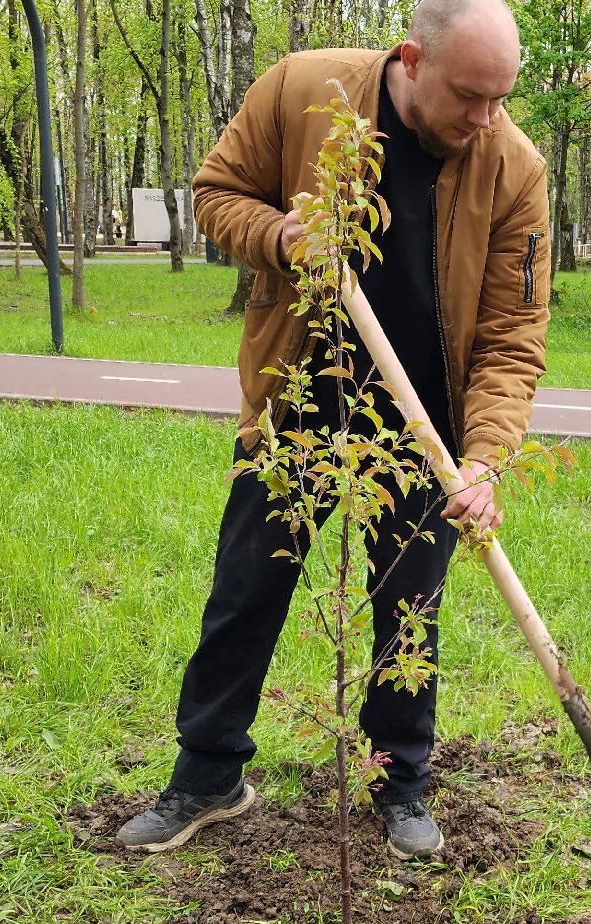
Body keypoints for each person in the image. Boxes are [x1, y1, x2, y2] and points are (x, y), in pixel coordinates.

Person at [115, 0, 549, 859]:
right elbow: (214, 194)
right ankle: (208, 777)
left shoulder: (514, 170)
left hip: (424, 427)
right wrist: (280, 235)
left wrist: (484, 462)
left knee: (409, 613)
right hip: (296, 402)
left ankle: (400, 784)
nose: (485, 119)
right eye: (470, 96)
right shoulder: (306, 93)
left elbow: (512, 336)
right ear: (412, 60)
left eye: (501, 99)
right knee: (246, 589)